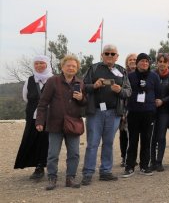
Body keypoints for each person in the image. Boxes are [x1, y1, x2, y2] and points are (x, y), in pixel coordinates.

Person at [81, 44, 131, 186]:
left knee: (108, 143)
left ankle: (105, 171)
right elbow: (83, 86)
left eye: (112, 54)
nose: (110, 56)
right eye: (107, 53)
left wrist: (120, 90)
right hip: (95, 112)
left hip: (114, 113)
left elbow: (128, 91)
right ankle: (88, 173)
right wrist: (93, 86)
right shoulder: (94, 68)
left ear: (117, 56)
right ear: (102, 55)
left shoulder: (122, 70)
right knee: (92, 144)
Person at [35, 55, 86, 190]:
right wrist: (40, 121)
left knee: (74, 153)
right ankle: (52, 178)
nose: (71, 68)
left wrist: (81, 98)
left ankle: (71, 178)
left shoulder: (80, 83)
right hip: (55, 123)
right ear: (62, 67)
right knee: (52, 154)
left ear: (77, 69)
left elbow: (84, 104)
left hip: (73, 124)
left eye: (74, 66)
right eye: (68, 65)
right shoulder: (53, 81)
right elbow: (43, 103)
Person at [123, 53, 161, 178]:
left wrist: (156, 104)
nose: (144, 63)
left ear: (149, 64)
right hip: (133, 112)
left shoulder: (154, 76)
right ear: (137, 63)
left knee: (146, 140)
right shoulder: (130, 76)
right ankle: (129, 166)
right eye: (141, 61)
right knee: (132, 140)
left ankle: (144, 166)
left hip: (149, 112)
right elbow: (126, 93)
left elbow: (158, 93)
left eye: (146, 61)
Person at [14, 55, 52, 180]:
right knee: (32, 140)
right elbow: (26, 97)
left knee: (46, 141)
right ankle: (37, 166)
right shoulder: (30, 80)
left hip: (49, 117)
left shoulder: (54, 79)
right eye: (36, 63)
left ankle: (44, 165)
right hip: (33, 117)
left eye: (42, 63)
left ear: (47, 64)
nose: (39, 66)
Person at [150, 53, 169, 172]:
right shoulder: (151, 75)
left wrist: (163, 101)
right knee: (152, 137)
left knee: (161, 136)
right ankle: (151, 161)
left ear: (168, 63)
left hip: (165, 111)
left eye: (164, 61)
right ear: (157, 63)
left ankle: (159, 161)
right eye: (160, 61)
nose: (162, 63)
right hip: (151, 110)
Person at [118, 53, 136, 167]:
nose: (133, 61)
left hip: (137, 108)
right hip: (124, 107)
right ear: (127, 61)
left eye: (135, 59)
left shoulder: (142, 74)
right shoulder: (121, 74)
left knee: (134, 135)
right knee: (123, 134)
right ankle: (124, 157)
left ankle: (132, 157)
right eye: (131, 59)